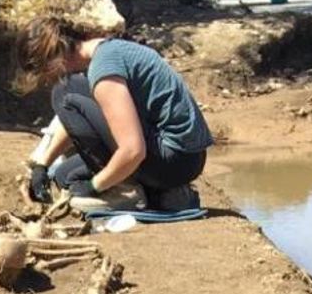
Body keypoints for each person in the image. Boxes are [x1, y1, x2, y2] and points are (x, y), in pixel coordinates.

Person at [16, 15, 212, 212]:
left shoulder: (104, 69)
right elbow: (76, 120)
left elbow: (133, 150)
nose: (49, 79)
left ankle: (126, 191)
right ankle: (162, 193)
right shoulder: (107, 51)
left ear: (55, 59)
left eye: (45, 72)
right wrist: (43, 164)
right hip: (184, 157)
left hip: (175, 160)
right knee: (65, 176)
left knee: (64, 92)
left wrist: (95, 186)